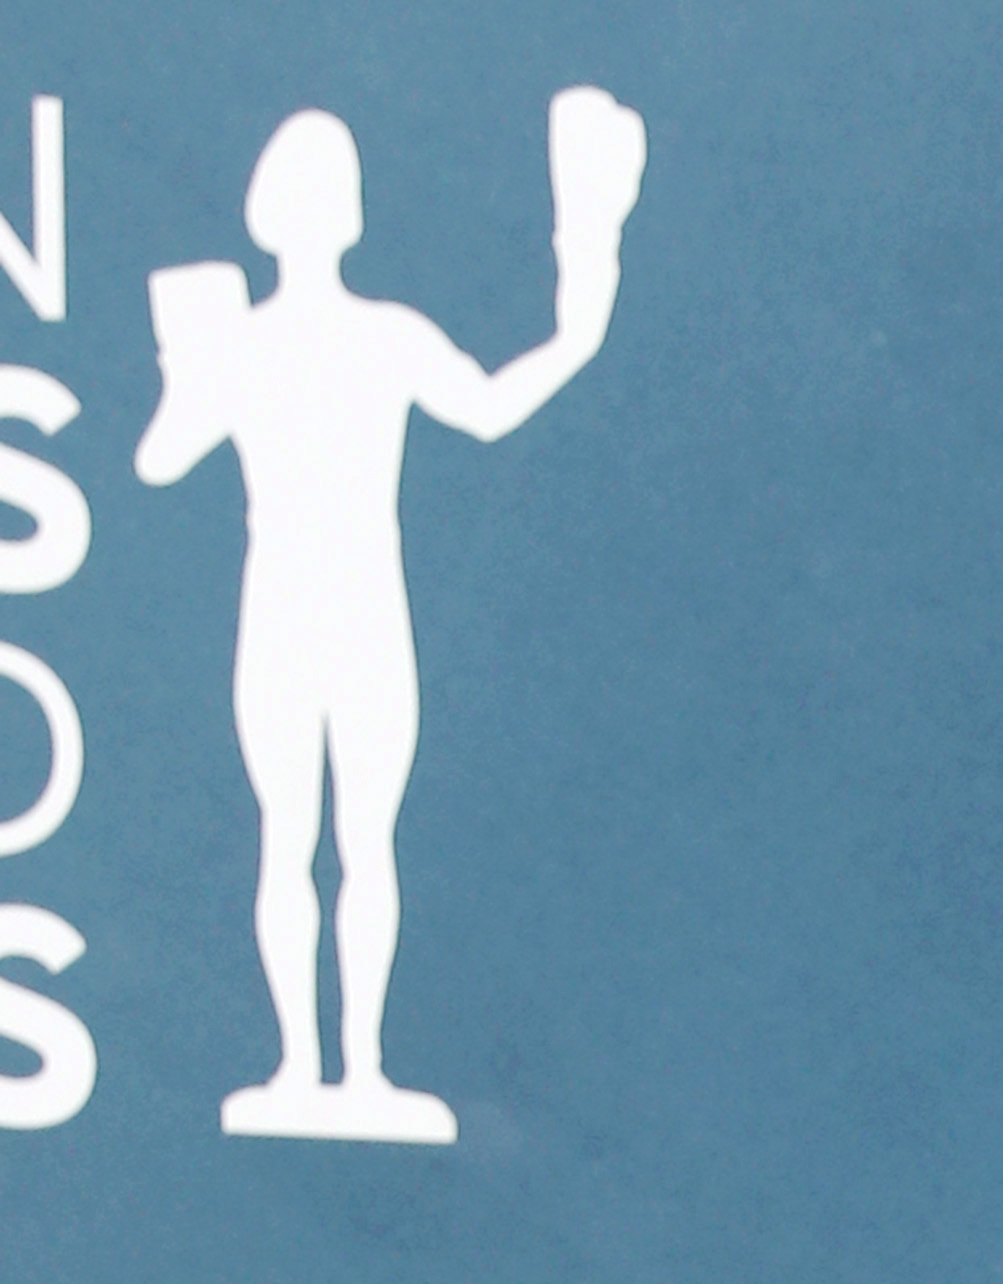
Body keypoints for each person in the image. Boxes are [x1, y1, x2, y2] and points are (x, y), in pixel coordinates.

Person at [136, 92, 645, 1142]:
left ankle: (339, 1070)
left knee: (333, 844)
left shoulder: (336, 340)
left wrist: (188, 364)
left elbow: (161, 454)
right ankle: (318, 1069)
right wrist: (586, 291)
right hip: (318, 616)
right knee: (331, 844)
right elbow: (160, 457)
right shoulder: (318, 340)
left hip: (336, 617)